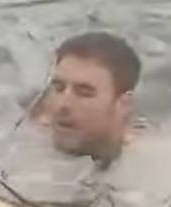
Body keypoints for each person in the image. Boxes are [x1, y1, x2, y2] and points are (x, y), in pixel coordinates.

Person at [34, 31, 141, 167]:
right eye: (59, 88)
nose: (63, 104)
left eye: (84, 93)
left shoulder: (160, 165)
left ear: (123, 104)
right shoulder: (22, 149)